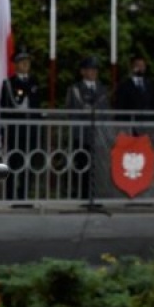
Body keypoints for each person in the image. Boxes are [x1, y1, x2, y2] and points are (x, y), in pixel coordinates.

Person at [63, 56, 109, 201]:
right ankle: (82, 196)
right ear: (83, 71)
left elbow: (106, 112)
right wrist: (77, 132)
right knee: (82, 166)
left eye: (95, 69)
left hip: (99, 135)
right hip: (82, 135)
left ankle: (95, 196)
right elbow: (71, 112)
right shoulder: (75, 89)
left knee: (98, 167)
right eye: (90, 69)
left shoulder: (102, 89)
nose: (93, 72)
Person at [0, 51, 40, 201]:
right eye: (22, 62)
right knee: (13, 163)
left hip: (30, 130)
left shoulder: (34, 82)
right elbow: (3, 108)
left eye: (27, 62)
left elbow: (37, 107)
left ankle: (24, 196)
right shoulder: (9, 83)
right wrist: (2, 132)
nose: (25, 65)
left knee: (27, 164)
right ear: (16, 64)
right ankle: (10, 196)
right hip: (14, 131)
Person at [112, 54, 154, 133]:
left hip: (148, 125)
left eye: (142, 65)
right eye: (138, 65)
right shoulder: (124, 85)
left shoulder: (150, 84)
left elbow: (153, 104)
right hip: (130, 126)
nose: (140, 68)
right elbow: (120, 106)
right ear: (132, 67)